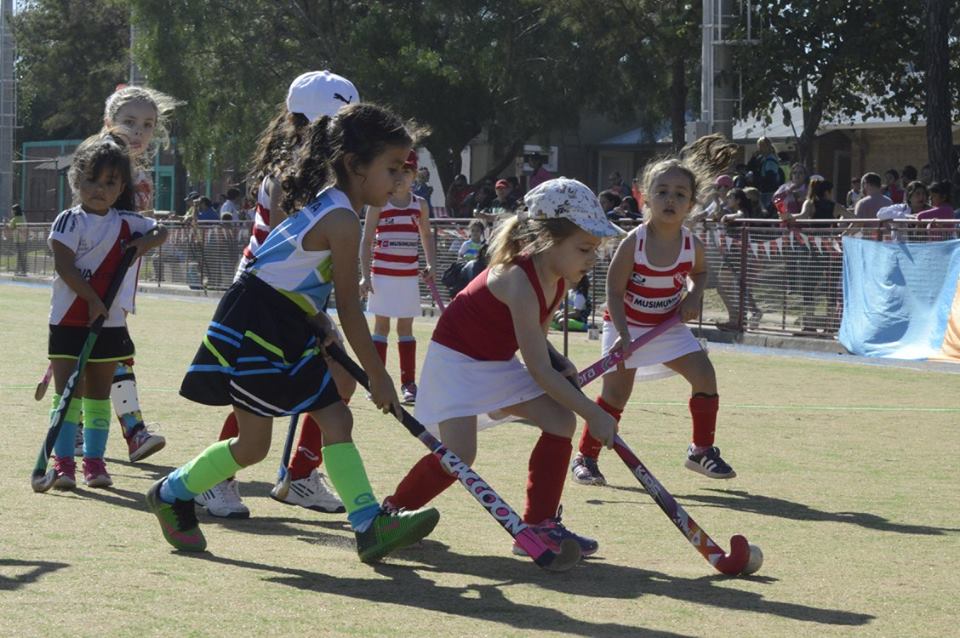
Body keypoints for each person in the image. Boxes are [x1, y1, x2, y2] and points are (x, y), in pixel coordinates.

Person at [145, 102, 441, 559]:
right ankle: (171, 492)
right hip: (259, 324)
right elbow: (348, 304)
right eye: (391, 168)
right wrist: (377, 375)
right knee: (253, 446)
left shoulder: (339, 206)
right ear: (354, 166)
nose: (402, 181)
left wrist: (314, 316)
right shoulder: (341, 218)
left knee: (336, 418)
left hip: (288, 318)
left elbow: (294, 269)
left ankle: (368, 525)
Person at [381, 177, 622, 562]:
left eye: (594, 249)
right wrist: (593, 412)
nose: (591, 258)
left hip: (496, 362)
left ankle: (539, 524)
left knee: (560, 421)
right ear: (548, 239)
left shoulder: (556, 280)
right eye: (584, 248)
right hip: (456, 363)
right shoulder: (517, 280)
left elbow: (536, 346)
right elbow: (538, 370)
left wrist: (562, 363)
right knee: (459, 454)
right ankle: (390, 514)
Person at [199, 70, 360, 519]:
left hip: (299, 299)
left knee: (340, 379)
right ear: (298, 123)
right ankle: (214, 480)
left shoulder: (329, 178)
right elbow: (288, 250)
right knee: (257, 395)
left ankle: (301, 473)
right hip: (262, 299)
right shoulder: (289, 176)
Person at [572, 135, 739, 487]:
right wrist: (625, 335)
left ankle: (701, 450)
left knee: (705, 375)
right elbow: (614, 293)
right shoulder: (635, 242)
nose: (670, 199)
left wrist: (694, 295)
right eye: (662, 191)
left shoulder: (691, 244)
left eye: (680, 194)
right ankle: (586, 457)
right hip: (624, 325)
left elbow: (701, 273)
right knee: (616, 396)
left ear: (691, 204)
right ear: (645, 196)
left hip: (666, 325)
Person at [44, 132, 168, 489]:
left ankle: (94, 465)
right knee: (68, 395)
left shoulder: (127, 221)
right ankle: (64, 463)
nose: (99, 188)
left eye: (109, 182)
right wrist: (93, 300)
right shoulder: (69, 221)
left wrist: (146, 242)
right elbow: (65, 268)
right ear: (76, 180)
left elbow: (161, 229)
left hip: (109, 325)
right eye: (91, 180)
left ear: (121, 186)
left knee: (98, 396)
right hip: (69, 319)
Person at [76, 85, 180, 464]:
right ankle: (131, 431)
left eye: (148, 124)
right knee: (110, 356)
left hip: (120, 281)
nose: (139, 131)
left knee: (101, 358)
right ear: (109, 123)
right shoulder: (102, 167)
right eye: (129, 122)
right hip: (96, 280)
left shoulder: (137, 174)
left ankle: (83, 431)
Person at [360, 150, 437, 404]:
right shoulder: (378, 203)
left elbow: (426, 235)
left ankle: (408, 384)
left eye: (406, 171)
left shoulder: (420, 205)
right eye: (395, 171)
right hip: (381, 276)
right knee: (381, 328)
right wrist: (364, 275)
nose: (400, 177)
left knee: (406, 329)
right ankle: (377, 383)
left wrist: (430, 263)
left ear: (414, 175)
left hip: (407, 278)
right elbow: (367, 240)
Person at [750, 137, 783, 211]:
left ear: (768, 147)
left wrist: (756, 179)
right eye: (759, 146)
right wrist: (753, 158)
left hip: (769, 191)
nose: (760, 149)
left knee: (767, 211)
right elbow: (751, 167)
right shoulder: (762, 159)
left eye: (762, 146)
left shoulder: (770, 160)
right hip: (764, 191)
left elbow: (770, 178)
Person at [8, 203, 27, 275]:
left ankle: (19, 271)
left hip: (17, 240)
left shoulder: (14, 219)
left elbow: (11, 227)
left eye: (12, 210)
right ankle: (22, 270)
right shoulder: (23, 217)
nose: (11, 212)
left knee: (19, 255)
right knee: (21, 255)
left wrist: (8, 223)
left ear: (15, 211)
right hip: (23, 239)